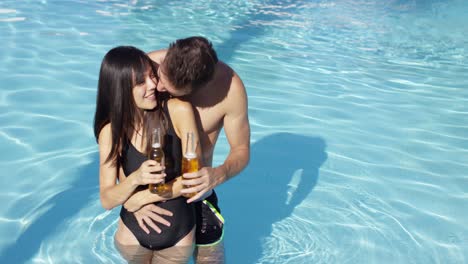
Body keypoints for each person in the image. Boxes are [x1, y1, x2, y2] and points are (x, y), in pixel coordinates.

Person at [124, 36, 251, 263]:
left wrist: (219, 173)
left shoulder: (230, 90)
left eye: (169, 89)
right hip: (149, 194)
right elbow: (117, 140)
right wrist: (133, 199)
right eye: (160, 76)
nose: (157, 87)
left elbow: (241, 150)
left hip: (197, 193)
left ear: (199, 88)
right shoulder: (146, 69)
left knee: (211, 259)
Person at [93, 46, 202, 263]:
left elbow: (194, 179)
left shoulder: (178, 110)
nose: (153, 85)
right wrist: (136, 180)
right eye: (141, 82)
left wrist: (140, 199)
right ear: (121, 88)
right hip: (131, 235)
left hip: (176, 235)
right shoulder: (111, 132)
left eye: (152, 76)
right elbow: (107, 199)